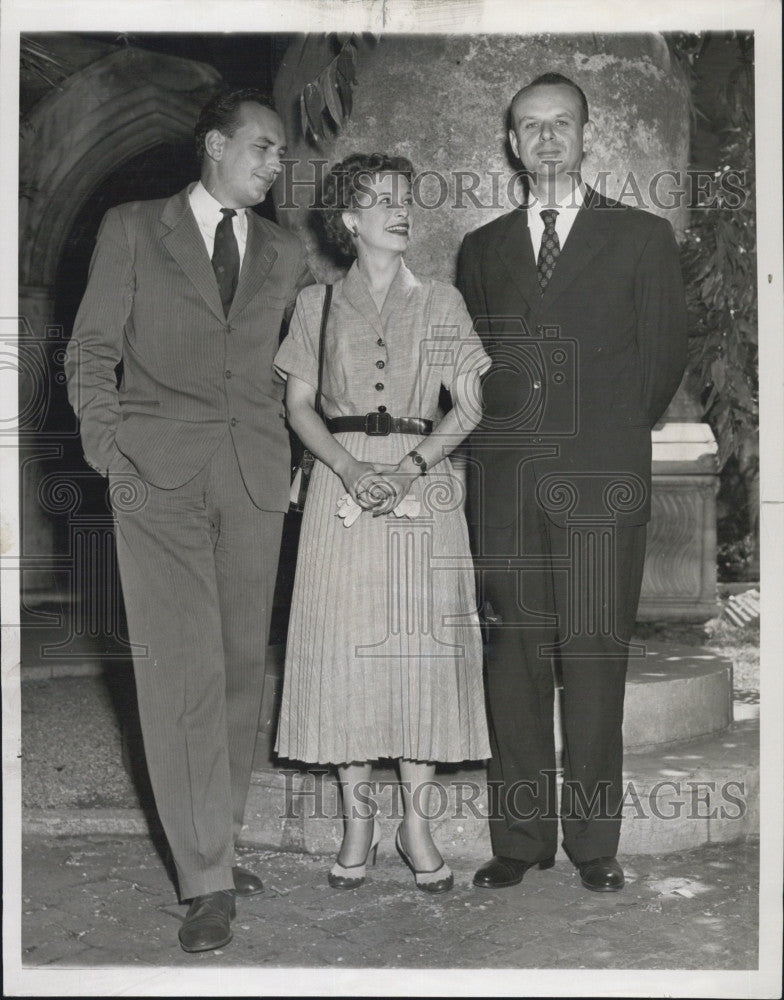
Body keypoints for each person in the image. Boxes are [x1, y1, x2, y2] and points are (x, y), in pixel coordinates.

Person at [64, 88, 311, 952]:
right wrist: (109, 450)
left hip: (252, 477)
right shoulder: (134, 228)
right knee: (180, 672)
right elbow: (93, 346)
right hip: (154, 476)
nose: (276, 165)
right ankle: (204, 878)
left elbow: (295, 370)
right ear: (215, 145)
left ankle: (218, 835)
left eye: (281, 154)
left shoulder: (284, 251)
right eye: (264, 148)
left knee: (242, 667)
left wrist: (301, 459)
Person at [457, 73, 688, 892]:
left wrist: (604, 440)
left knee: (594, 660)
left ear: (587, 137)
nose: (548, 138)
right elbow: (473, 368)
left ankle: (595, 845)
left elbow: (661, 363)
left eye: (562, 124)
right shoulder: (481, 250)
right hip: (507, 488)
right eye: (531, 126)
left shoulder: (641, 238)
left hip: (600, 482)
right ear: (513, 145)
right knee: (513, 659)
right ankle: (519, 841)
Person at [273, 153, 490, 893]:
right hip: (339, 485)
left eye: (406, 198)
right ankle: (358, 819)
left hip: (422, 484)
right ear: (349, 220)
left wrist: (409, 467)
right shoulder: (315, 306)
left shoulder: (444, 301)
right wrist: (350, 467)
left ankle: (417, 824)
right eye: (383, 200)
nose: (401, 210)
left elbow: (470, 406)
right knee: (347, 657)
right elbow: (299, 405)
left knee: (420, 660)